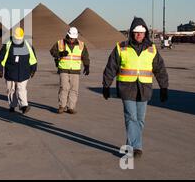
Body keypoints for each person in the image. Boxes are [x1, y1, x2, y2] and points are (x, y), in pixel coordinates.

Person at [102, 17, 169, 158]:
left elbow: (160, 69)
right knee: (131, 117)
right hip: (127, 88)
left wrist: (164, 87)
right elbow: (111, 67)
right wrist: (106, 85)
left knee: (140, 119)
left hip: (144, 89)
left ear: (145, 34)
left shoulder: (152, 49)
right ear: (132, 32)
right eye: (136, 32)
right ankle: (136, 147)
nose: (139, 35)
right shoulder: (121, 47)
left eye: (141, 32)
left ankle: (131, 144)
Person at [0, 27, 38, 114]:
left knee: (21, 89)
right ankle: (12, 106)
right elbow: (1, 58)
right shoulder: (8, 45)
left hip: (24, 72)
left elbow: (33, 59)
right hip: (11, 72)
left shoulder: (28, 45)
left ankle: (24, 106)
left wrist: (33, 69)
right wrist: (0, 69)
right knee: (11, 90)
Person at [50, 27, 90, 114]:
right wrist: (60, 54)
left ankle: (71, 107)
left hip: (75, 70)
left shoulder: (81, 44)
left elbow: (85, 56)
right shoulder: (60, 43)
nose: (72, 39)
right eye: (71, 37)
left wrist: (87, 66)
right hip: (63, 69)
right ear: (68, 35)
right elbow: (52, 52)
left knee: (74, 89)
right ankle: (62, 106)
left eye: (74, 37)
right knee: (64, 88)